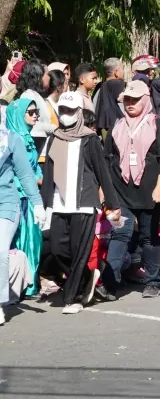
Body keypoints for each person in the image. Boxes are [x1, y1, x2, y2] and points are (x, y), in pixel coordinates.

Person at [40, 92, 120, 314]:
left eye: (70, 111)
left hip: (84, 203)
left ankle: (72, 298)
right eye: (62, 111)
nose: (65, 115)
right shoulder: (53, 138)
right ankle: (87, 276)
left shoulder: (89, 139)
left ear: (78, 113)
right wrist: (43, 204)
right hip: (58, 204)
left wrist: (112, 203)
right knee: (57, 248)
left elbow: (102, 172)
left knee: (79, 250)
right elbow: (48, 175)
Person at [103, 80, 160, 299]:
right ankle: (109, 283)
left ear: (145, 99)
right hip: (120, 191)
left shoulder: (157, 125)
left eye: (134, 100)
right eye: (127, 100)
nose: (130, 104)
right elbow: (107, 159)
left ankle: (153, 281)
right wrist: (104, 191)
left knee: (148, 236)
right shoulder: (117, 125)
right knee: (119, 233)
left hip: (150, 190)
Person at [0, 116, 45, 324]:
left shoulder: (11, 139)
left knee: (0, 249)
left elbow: (26, 175)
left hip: (6, 204)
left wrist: (37, 204)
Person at [6, 97, 43, 297]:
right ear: (19, 116)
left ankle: (29, 284)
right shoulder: (13, 140)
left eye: (36, 111)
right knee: (21, 241)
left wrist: (39, 178)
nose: (35, 115)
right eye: (30, 112)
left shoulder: (27, 136)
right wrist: (34, 180)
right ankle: (19, 286)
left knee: (33, 240)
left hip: (30, 197)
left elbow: (35, 168)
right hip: (18, 197)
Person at [15, 59, 55, 154]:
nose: (49, 78)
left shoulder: (36, 95)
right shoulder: (28, 95)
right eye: (47, 74)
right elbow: (30, 124)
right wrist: (54, 129)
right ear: (39, 76)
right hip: (35, 147)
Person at [95, 57, 126, 131]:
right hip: (117, 127)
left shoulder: (100, 86)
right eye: (122, 68)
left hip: (103, 127)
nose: (123, 72)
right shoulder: (118, 84)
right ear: (116, 72)